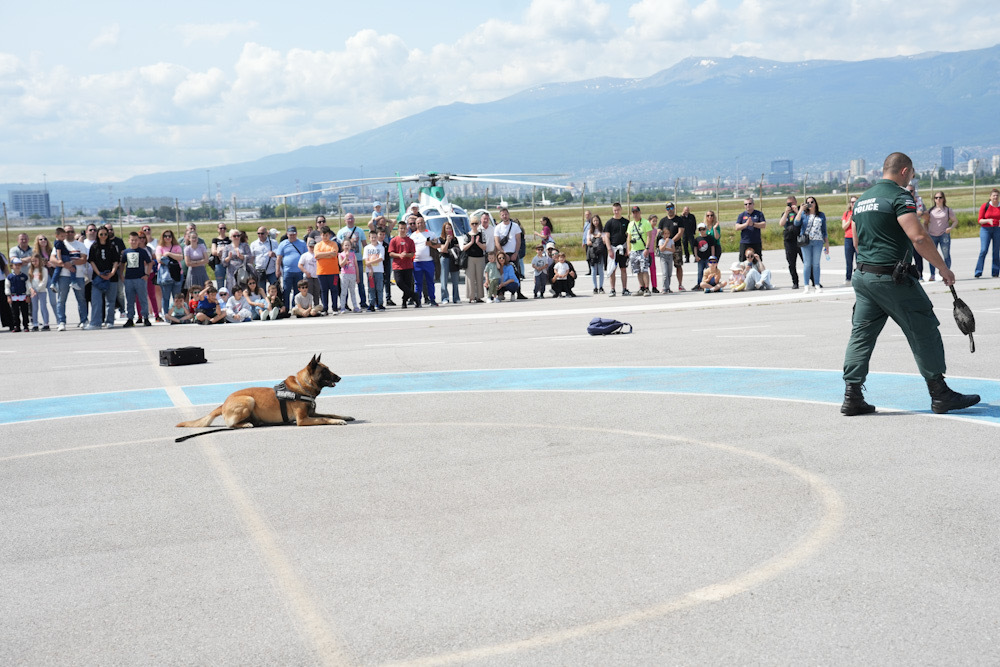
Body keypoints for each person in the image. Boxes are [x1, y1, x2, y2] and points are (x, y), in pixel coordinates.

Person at [842, 151, 980, 416]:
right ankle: (940, 394)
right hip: (893, 279)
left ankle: (852, 395)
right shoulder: (899, 196)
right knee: (923, 327)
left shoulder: (862, 200)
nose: (911, 179)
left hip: (864, 277)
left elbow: (857, 243)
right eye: (912, 174)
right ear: (904, 171)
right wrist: (942, 268)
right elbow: (918, 237)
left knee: (861, 335)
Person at [52, 224, 88, 331]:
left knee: (81, 299)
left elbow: (83, 259)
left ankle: (84, 320)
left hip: (78, 275)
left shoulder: (80, 245)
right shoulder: (60, 244)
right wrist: (65, 265)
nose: (69, 234)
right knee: (61, 299)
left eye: (72, 231)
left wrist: (71, 262)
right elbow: (52, 259)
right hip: (63, 275)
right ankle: (61, 321)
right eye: (67, 232)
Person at [793, 196, 829, 293]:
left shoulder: (821, 215)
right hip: (806, 241)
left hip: (818, 241)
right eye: (808, 202)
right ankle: (806, 285)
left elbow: (824, 230)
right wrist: (800, 210)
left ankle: (817, 284)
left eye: (812, 202)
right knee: (807, 264)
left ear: (815, 203)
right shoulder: (804, 215)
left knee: (816, 264)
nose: (810, 204)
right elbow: (796, 223)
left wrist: (827, 244)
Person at [86, 226, 120, 329]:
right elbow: (92, 261)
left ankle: (110, 321)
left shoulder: (112, 246)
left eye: (105, 234)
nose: (103, 236)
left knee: (110, 301)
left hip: (111, 277)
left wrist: (112, 273)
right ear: (97, 235)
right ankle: (95, 323)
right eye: (101, 234)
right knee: (96, 301)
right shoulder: (94, 246)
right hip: (98, 278)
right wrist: (99, 274)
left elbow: (116, 261)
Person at [922, 191, 957, 282]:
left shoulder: (947, 210)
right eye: (936, 198)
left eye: (940, 197)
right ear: (934, 199)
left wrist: (950, 228)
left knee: (946, 255)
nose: (938, 199)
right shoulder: (931, 211)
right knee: (932, 255)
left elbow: (955, 221)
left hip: (943, 235)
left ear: (943, 199)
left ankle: (946, 274)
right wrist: (926, 232)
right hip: (932, 235)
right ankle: (932, 274)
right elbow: (925, 223)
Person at [121, 231, 153, 327]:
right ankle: (130, 318)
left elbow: (149, 262)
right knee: (130, 300)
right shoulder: (126, 252)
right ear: (129, 241)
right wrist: (121, 275)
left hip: (140, 278)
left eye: (135, 240)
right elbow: (122, 263)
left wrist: (147, 274)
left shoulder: (142, 252)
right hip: (129, 279)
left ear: (138, 240)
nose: (134, 242)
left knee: (143, 299)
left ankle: (145, 317)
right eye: (132, 240)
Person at [337, 213, 368, 309]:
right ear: (345, 220)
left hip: (357, 258)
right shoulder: (341, 232)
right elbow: (339, 247)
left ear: (354, 220)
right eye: (348, 219)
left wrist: (366, 257)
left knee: (360, 282)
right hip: (345, 260)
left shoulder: (360, 231)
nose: (350, 220)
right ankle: (344, 304)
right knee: (345, 285)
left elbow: (364, 244)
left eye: (351, 218)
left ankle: (363, 302)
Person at [410, 215, 439, 306]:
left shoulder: (431, 233)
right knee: (417, 283)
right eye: (418, 223)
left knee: (430, 281)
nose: (420, 224)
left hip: (428, 261)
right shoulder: (413, 235)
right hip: (417, 262)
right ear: (416, 224)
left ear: (424, 223)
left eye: (422, 222)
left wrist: (430, 243)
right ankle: (417, 301)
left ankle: (432, 300)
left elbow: (438, 245)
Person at [276, 226, 307, 311]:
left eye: (293, 234)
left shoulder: (302, 243)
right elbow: (279, 258)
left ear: (296, 234)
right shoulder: (283, 244)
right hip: (287, 271)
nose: (292, 236)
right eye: (290, 234)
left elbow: (306, 257)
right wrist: (278, 270)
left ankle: (295, 307)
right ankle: (286, 307)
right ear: (287, 234)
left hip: (299, 271)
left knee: (298, 290)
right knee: (286, 290)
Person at [602, 202, 630, 296]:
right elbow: (606, 237)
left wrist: (628, 249)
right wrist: (609, 249)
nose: (616, 212)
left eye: (618, 210)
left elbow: (628, 237)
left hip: (623, 248)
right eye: (614, 210)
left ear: (621, 209)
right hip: (613, 249)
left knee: (623, 269)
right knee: (612, 270)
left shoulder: (626, 222)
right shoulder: (609, 223)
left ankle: (625, 289)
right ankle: (612, 289)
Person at [388, 220, 418, 309]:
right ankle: (414, 295)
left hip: (408, 266)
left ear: (406, 229)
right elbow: (391, 253)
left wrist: (407, 255)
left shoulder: (410, 241)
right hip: (397, 266)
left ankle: (404, 302)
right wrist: (399, 255)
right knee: (400, 283)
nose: (402, 230)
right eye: (401, 228)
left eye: (404, 228)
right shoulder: (394, 240)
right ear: (398, 229)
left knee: (408, 285)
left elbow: (412, 254)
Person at [155, 230, 184, 316]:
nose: (167, 238)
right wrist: (172, 257)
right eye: (165, 236)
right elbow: (159, 259)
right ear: (162, 237)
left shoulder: (177, 246)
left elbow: (180, 257)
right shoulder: (160, 247)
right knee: (166, 297)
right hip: (165, 274)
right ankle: (166, 314)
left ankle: (177, 313)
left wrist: (168, 254)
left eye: (169, 236)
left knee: (177, 296)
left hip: (177, 273)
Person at [626, 205, 654, 296]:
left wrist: (647, 248)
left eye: (637, 212)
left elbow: (649, 236)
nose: (635, 214)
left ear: (640, 212)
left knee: (644, 269)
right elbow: (629, 237)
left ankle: (647, 288)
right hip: (634, 250)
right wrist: (628, 249)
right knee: (637, 270)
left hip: (643, 250)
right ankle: (641, 287)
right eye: (633, 213)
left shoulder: (646, 223)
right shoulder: (630, 224)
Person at [313, 226, 341, 315]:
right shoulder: (318, 245)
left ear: (329, 235)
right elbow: (317, 255)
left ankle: (335, 308)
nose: (325, 237)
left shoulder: (333, 244)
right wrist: (328, 254)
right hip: (322, 271)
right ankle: (325, 308)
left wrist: (323, 255)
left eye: (327, 235)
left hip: (333, 271)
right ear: (321, 235)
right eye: (323, 235)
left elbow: (334, 254)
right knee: (324, 290)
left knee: (334, 290)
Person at [974, 188, 1000, 278]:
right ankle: (978, 271)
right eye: (994, 195)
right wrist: (988, 220)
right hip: (986, 230)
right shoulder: (985, 206)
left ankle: (995, 272)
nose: (995, 197)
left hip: (997, 229)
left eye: (997, 195)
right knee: (984, 250)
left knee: (996, 251)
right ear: (990, 197)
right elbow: (980, 220)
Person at [462, 215, 487, 303]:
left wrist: (478, 243)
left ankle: (479, 296)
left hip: (480, 258)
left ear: (478, 224)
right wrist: (471, 242)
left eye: (476, 223)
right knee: (470, 278)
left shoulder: (481, 234)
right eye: (473, 224)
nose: (474, 225)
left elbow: (484, 247)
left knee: (479, 278)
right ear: (470, 224)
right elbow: (464, 247)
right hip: (470, 258)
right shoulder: (467, 235)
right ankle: (471, 296)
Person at [779, 196, 803, 289]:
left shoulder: (801, 211)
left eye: (792, 203)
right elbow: (781, 224)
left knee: (806, 261)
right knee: (791, 263)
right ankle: (795, 282)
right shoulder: (785, 213)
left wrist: (797, 211)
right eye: (789, 203)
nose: (791, 205)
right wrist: (786, 212)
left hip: (800, 238)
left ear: (796, 202)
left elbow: (803, 220)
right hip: (789, 240)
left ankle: (812, 280)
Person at [735, 197, 766, 261]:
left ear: (753, 204)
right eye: (746, 204)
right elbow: (737, 227)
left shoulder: (759, 214)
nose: (748, 205)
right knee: (742, 261)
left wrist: (753, 224)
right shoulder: (742, 215)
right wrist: (746, 224)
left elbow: (763, 224)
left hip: (756, 242)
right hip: (745, 242)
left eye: (749, 203)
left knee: (757, 261)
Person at [438, 221, 461, 304]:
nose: (449, 230)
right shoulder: (441, 239)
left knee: (455, 280)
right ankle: (445, 298)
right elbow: (443, 250)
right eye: (447, 228)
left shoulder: (455, 239)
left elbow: (458, 249)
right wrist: (447, 241)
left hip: (454, 259)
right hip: (445, 259)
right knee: (444, 279)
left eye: (450, 228)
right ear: (444, 230)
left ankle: (456, 298)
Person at [363, 230, 386, 311]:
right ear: (369, 238)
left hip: (379, 270)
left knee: (379, 288)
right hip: (369, 271)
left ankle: (380, 304)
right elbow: (366, 261)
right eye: (372, 237)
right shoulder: (366, 248)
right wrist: (370, 269)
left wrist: (370, 262)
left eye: (375, 237)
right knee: (371, 288)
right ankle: (371, 304)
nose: (373, 239)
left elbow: (380, 258)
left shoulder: (381, 247)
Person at [6, 257, 30, 332]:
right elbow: (7, 287)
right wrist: (8, 296)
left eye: (19, 265)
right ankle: (17, 326)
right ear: (12, 266)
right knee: (15, 313)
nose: (17, 266)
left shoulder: (24, 276)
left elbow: (28, 285)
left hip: (23, 296)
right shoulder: (9, 277)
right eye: (15, 265)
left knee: (25, 312)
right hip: (14, 297)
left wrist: (28, 295)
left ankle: (26, 326)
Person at [26, 254, 50, 331]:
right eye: (32, 261)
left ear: (39, 261)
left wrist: (38, 288)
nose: (34, 262)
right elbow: (28, 281)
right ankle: (35, 324)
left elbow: (44, 281)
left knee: (43, 307)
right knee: (34, 308)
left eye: (36, 261)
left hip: (41, 291)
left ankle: (46, 323)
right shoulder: (30, 270)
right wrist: (31, 289)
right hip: (33, 292)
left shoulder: (44, 270)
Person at [338, 240, 360, 313]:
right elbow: (341, 264)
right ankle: (342, 307)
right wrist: (346, 257)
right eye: (345, 245)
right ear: (343, 246)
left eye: (348, 245)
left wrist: (357, 276)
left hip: (352, 274)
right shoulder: (340, 254)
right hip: (344, 275)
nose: (347, 247)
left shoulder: (353, 254)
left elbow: (356, 265)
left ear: (350, 246)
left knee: (352, 291)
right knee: (344, 292)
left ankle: (355, 306)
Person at [587, 215, 606, 294]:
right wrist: (596, 238)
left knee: (600, 269)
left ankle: (601, 287)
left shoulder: (602, 230)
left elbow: (604, 241)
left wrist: (600, 238)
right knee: (593, 270)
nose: (595, 222)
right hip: (592, 252)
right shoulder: (590, 231)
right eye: (594, 221)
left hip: (600, 252)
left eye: (597, 220)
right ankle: (595, 287)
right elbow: (588, 242)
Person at [842, 197, 858, 284]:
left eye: (855, 202)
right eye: (851, 202)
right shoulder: (847, 213)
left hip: (858, 238)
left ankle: (858, 277)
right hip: (848, 238)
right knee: (849, 260)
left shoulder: (859, 212)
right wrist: (849, 220)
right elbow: (844, 227)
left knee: (858, 259)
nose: (853, 204)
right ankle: (848, 278)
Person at [210, 223, 231, 288]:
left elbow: (231, 250)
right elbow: (213, 251)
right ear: (218, 229)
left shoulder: (229, 240)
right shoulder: (215, 240)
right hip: (218, 263)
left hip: (228, 263)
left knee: (229, 283)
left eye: (224, 228)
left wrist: (222, 252)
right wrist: (220, 253)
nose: (222, 230)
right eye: (221, 228)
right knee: (220, 283)